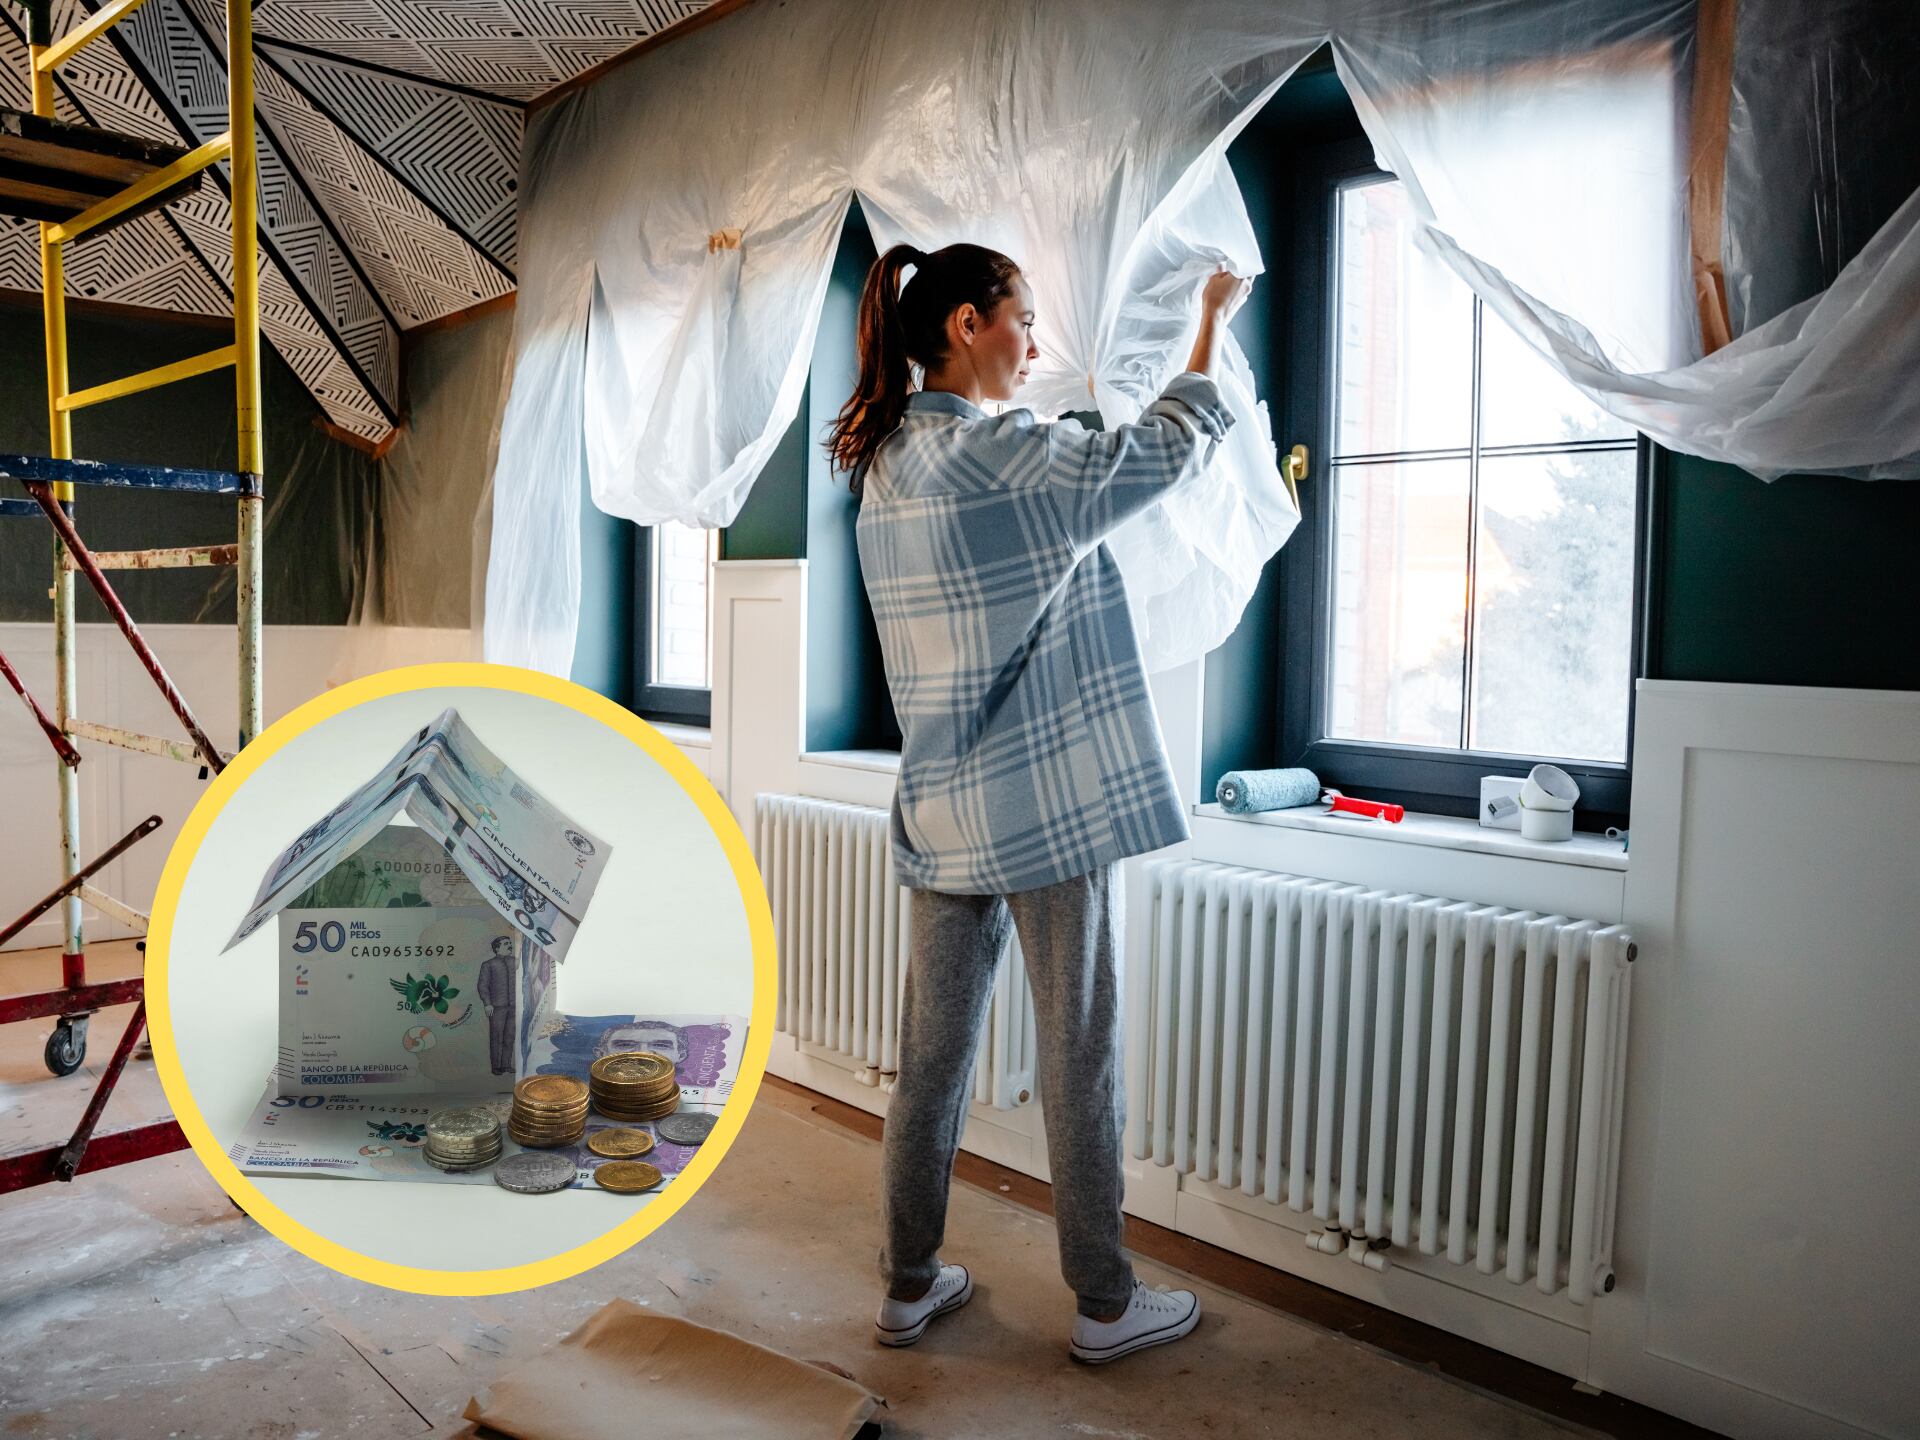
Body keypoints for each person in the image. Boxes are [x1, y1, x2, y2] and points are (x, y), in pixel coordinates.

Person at [829, 242, 1249, 1364]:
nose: (1034, 344)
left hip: (941, 806)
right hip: (1043, 807)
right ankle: (1105, 1305)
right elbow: (1155, 455)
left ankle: (908, 1287)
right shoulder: (1000, 452)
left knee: (931, 1059)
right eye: (1021, 320)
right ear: (966, 324)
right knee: (1079, 1050)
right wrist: (1209, 319)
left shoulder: (886, 466)